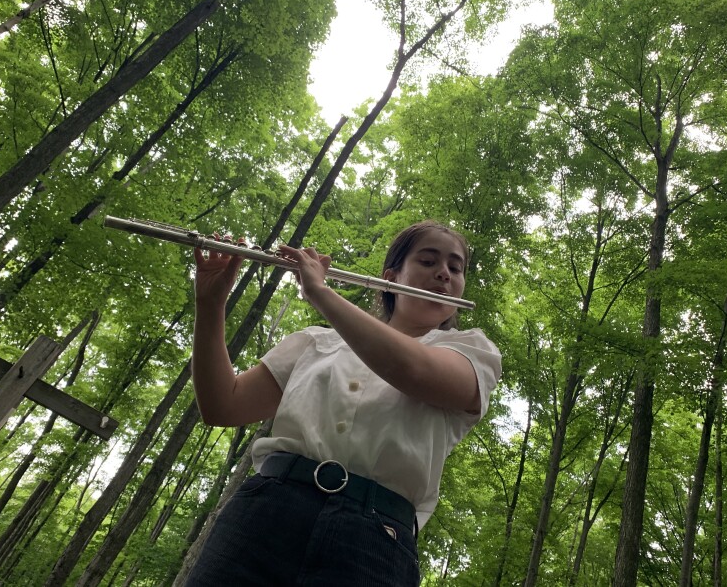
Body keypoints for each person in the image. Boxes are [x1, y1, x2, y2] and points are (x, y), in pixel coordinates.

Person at [187, 220, 502, 586]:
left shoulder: (473, 351)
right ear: (393, 276)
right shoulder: (314, 342)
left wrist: (321, 292)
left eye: (455, 267)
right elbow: (223, 406)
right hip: (265, 511)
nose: (444, 274)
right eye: (428, 262)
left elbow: (414, 370)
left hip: (377, 540)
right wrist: (210, 304)